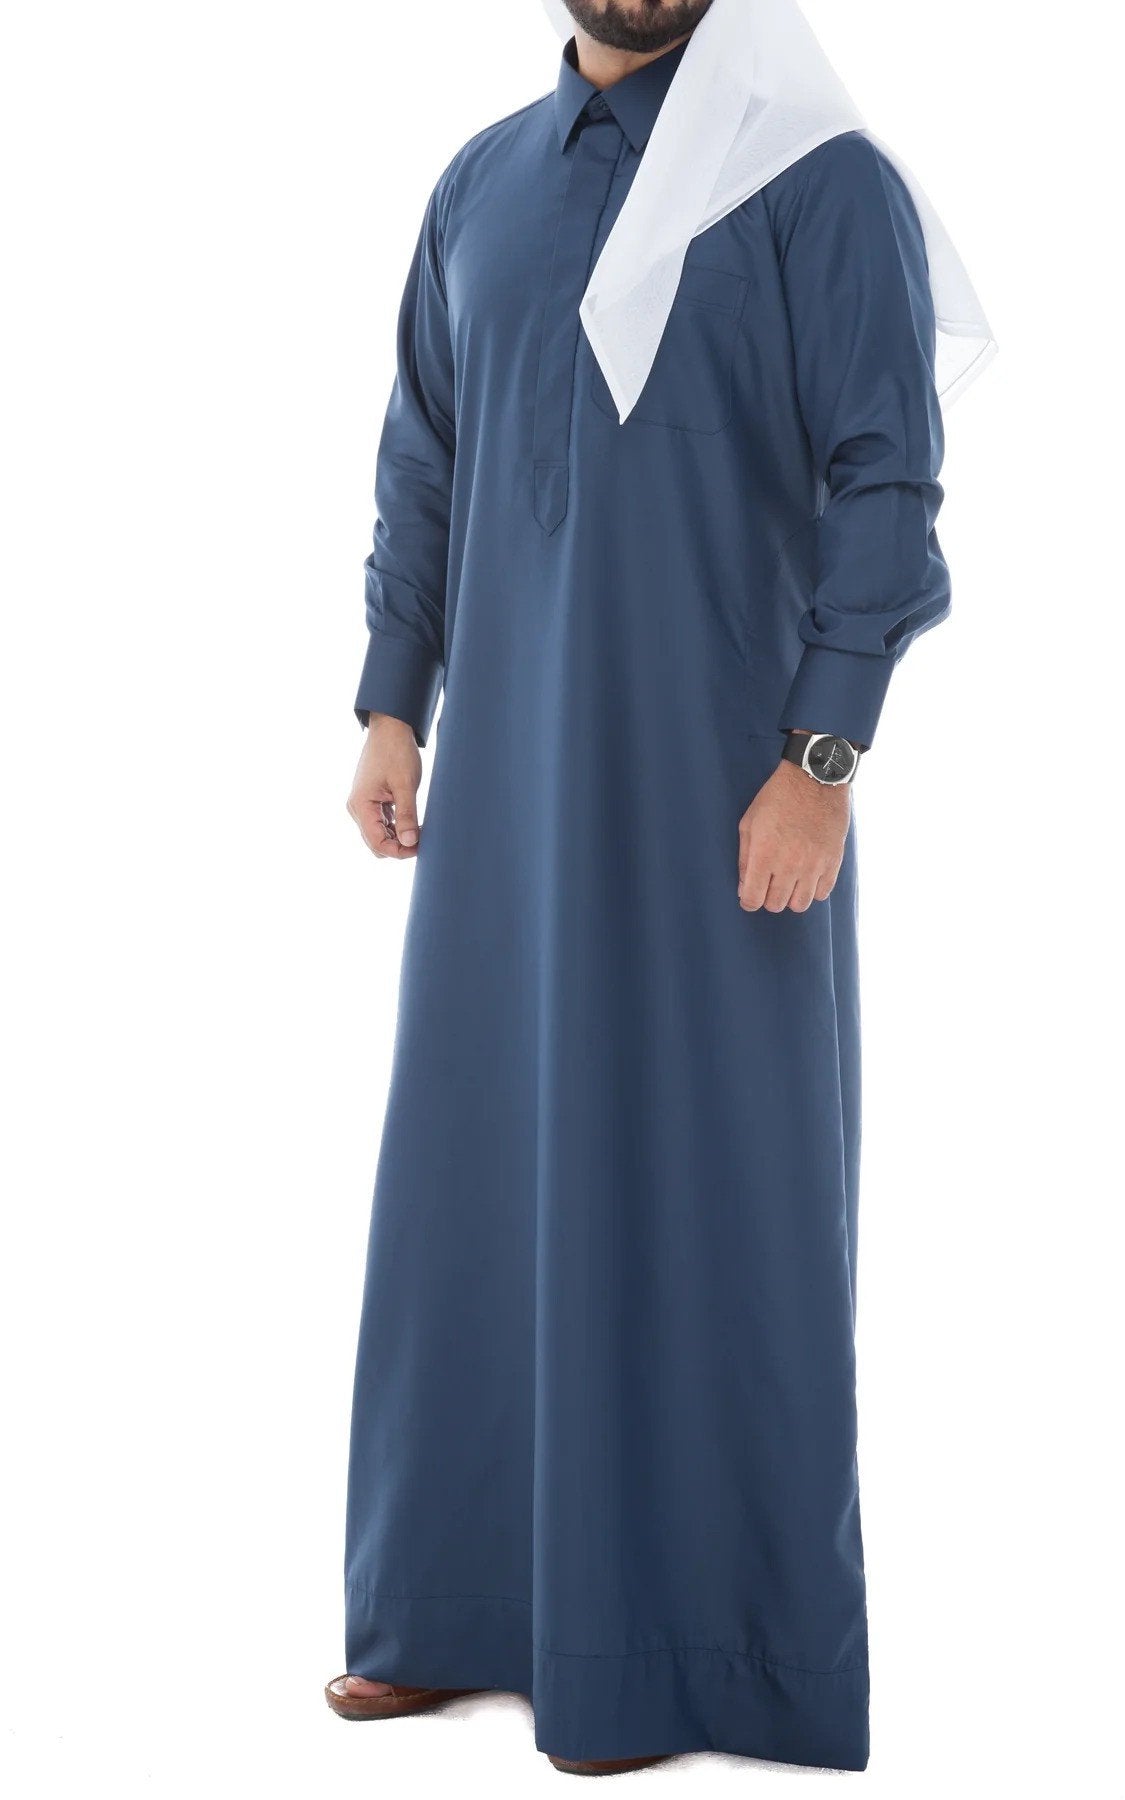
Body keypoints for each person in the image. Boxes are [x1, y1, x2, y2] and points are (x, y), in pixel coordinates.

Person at [326, 0, 992, 1774]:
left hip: (722, 800)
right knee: (475, 1181)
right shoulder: (479, 188)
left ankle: (695, 1654)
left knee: (717, 1198)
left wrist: (821, 760)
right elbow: (425, 459)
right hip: (504, 807)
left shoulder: (811, 179)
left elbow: (887, 475)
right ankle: (449, 1612)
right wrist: (392, 705)